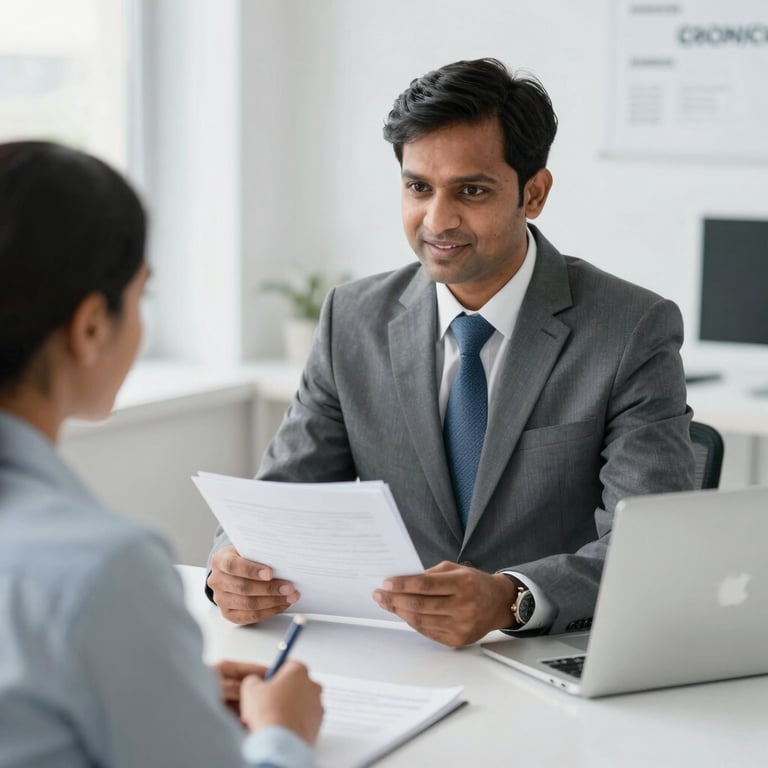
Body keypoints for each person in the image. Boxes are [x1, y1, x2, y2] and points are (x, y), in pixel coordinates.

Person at [207, 58, 695, 647]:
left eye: (471, 190)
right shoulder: (352, 319)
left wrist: (511, 598)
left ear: (533, 193)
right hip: (393, 651)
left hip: (553, 655)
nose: (437, 220)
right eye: (418, 187)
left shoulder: (630, 328)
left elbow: (648, 546)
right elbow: (280, 503)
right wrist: (231, 568)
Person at [0, 141, 322, 767]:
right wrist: (286, 733)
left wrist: (162, 687)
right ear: (91, 327)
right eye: (142, 295)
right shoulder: (104, 567)